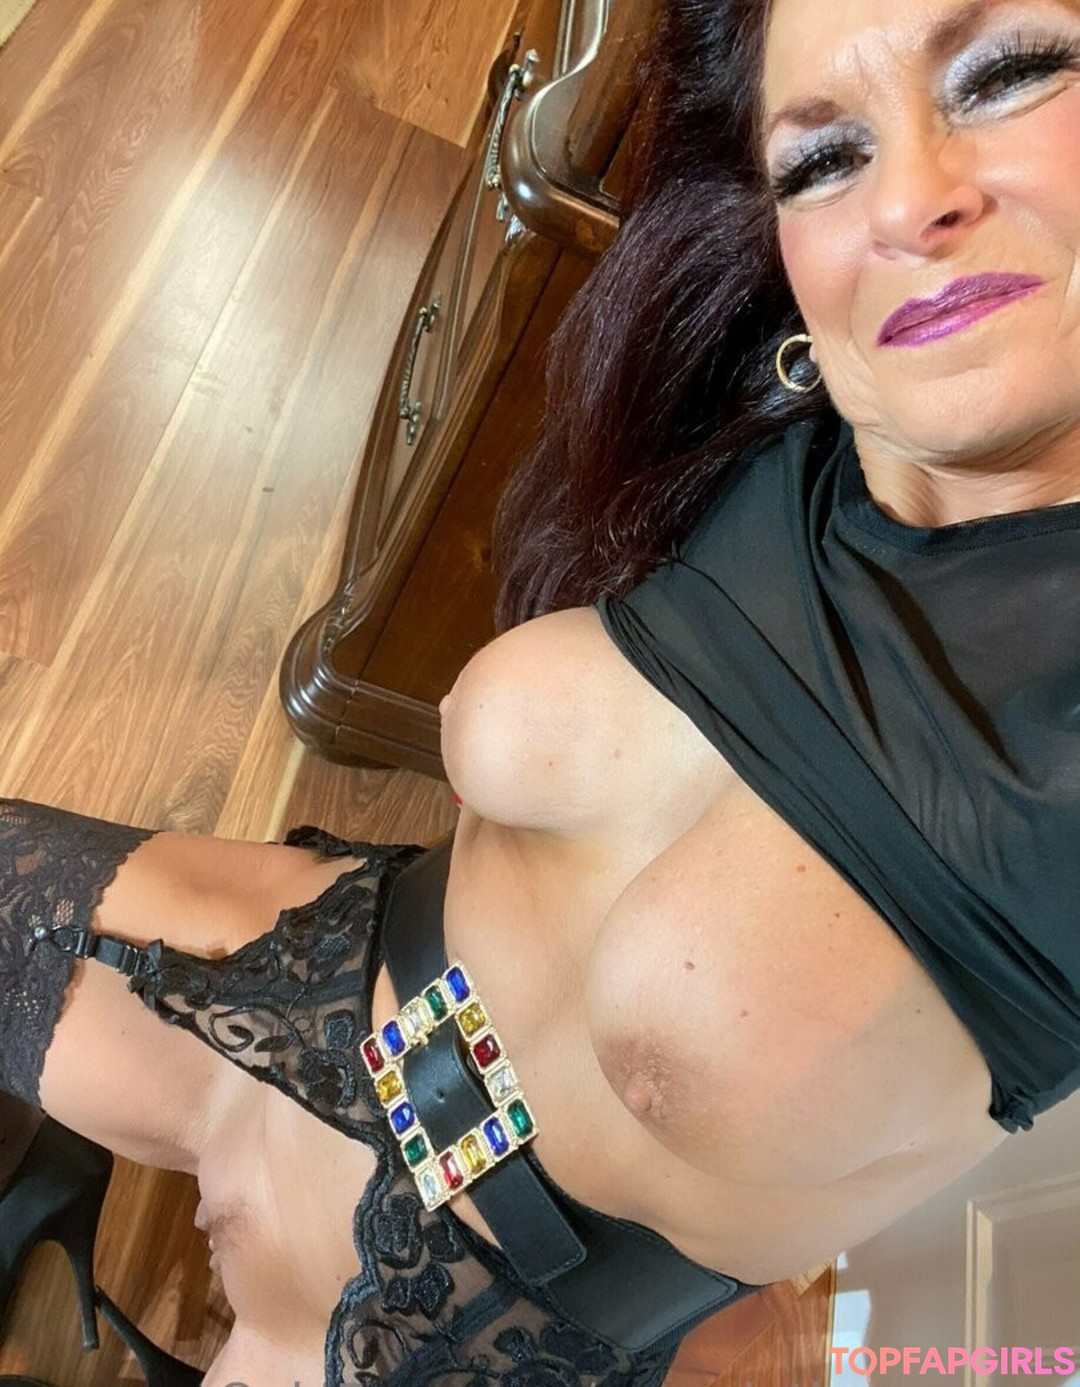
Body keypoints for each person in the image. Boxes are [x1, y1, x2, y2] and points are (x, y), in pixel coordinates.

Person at [3, 0, 1080, 1382]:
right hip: (305, 986)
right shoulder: (769, 422)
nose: (908, 199)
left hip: (457, 1321)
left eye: (1008, 72)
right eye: (822, 158)